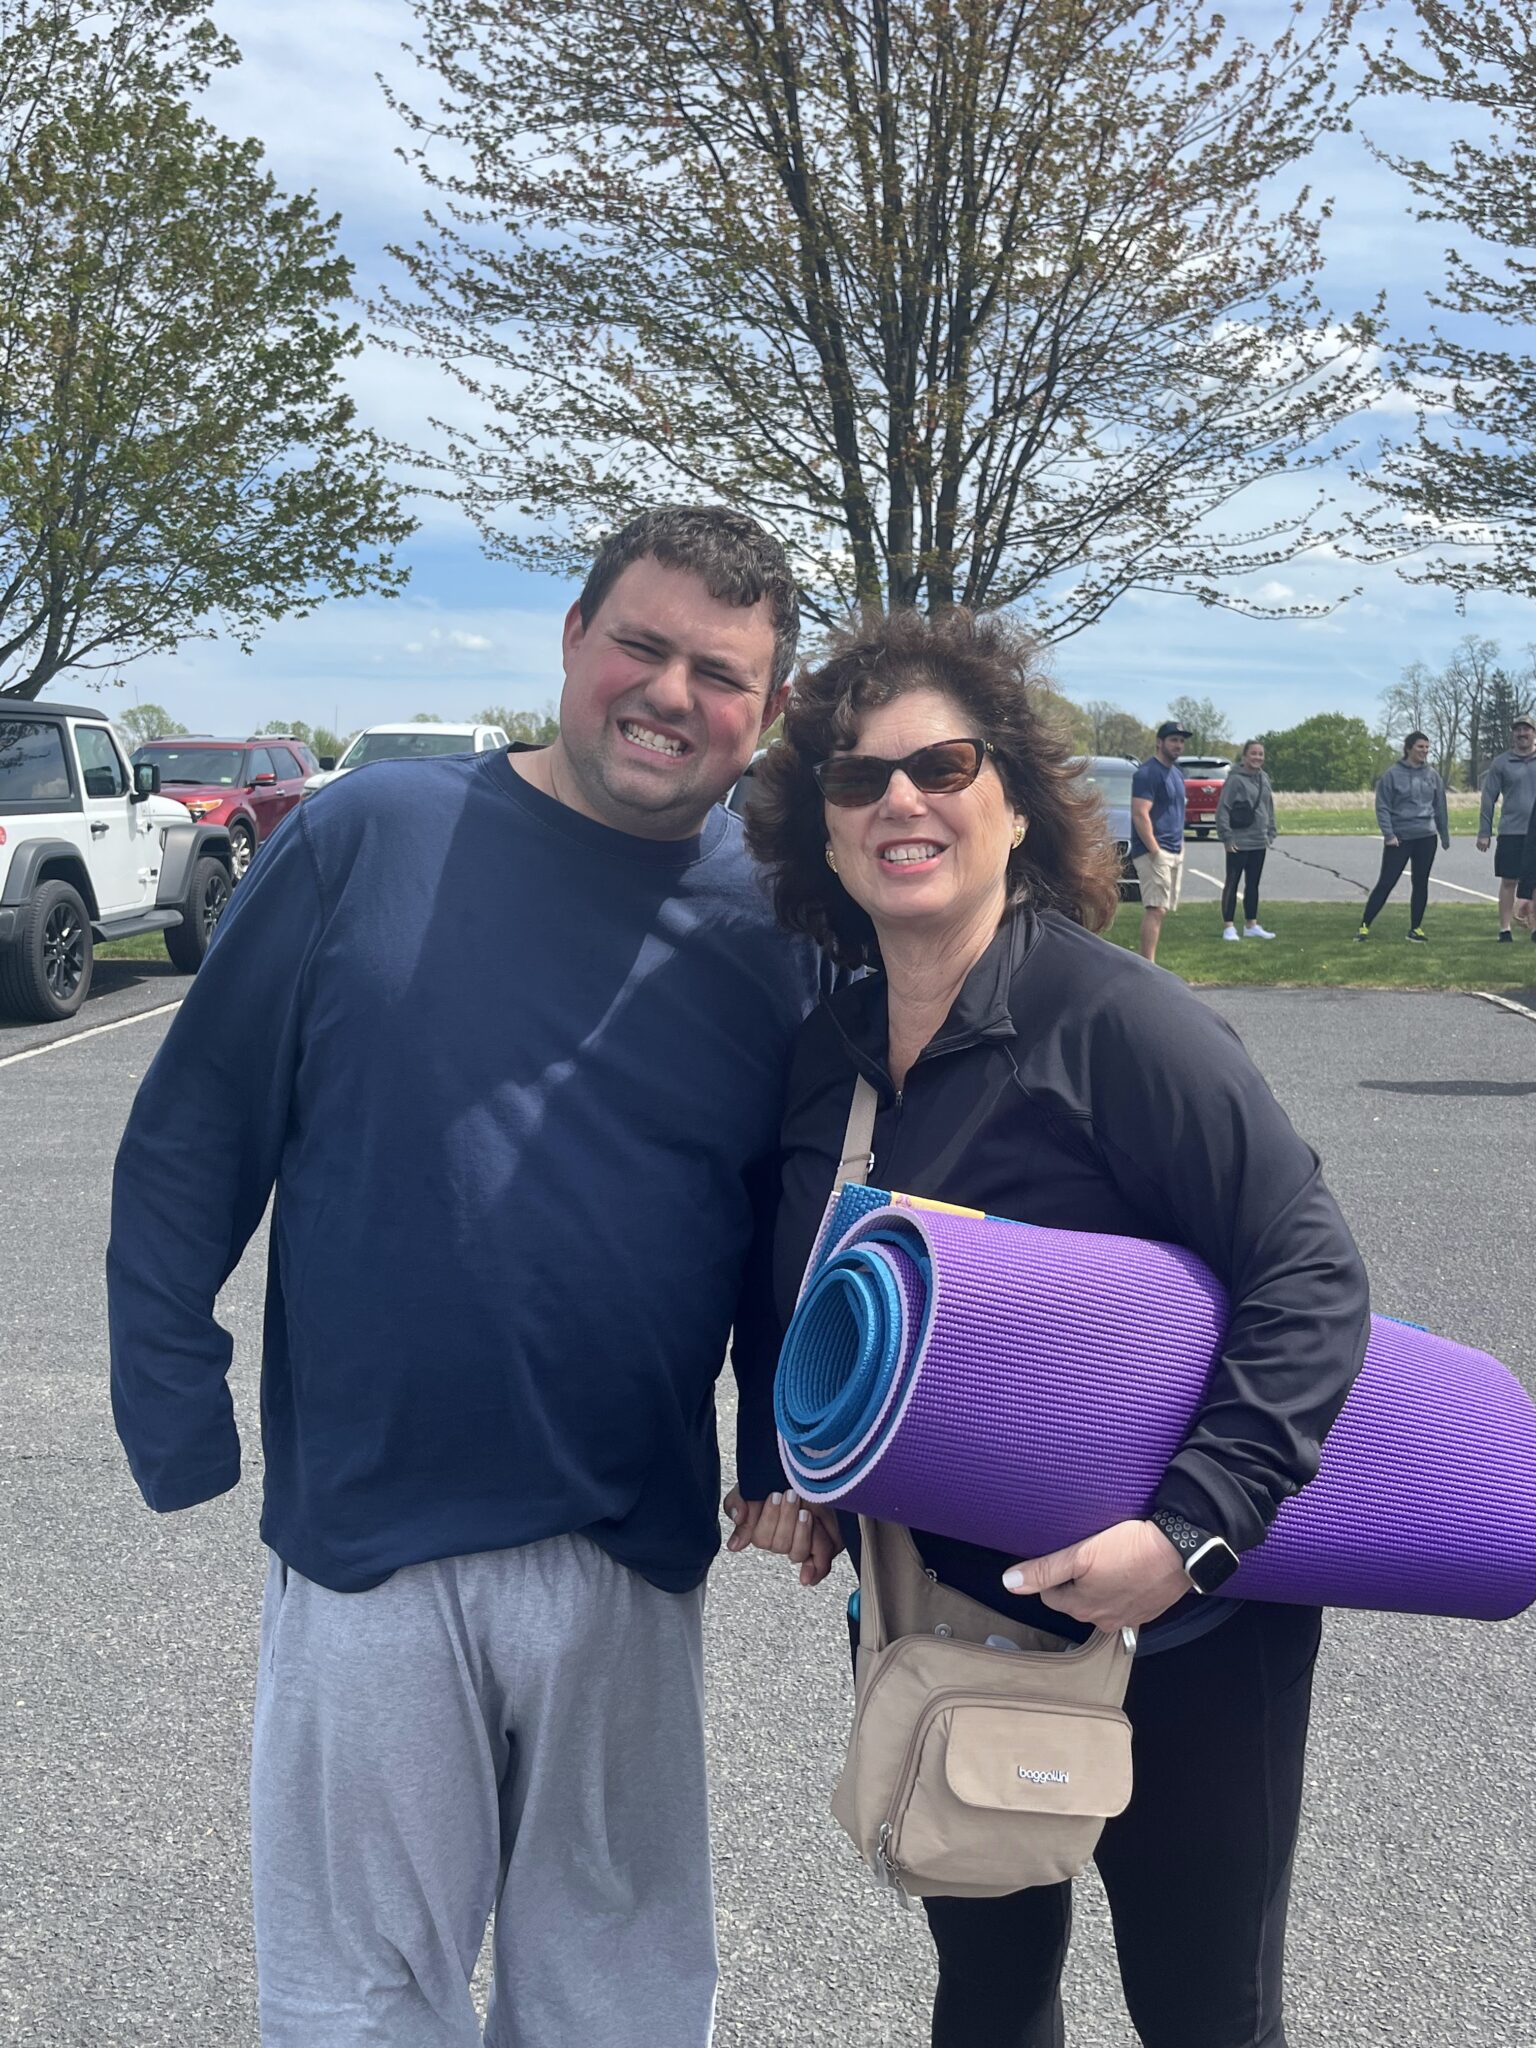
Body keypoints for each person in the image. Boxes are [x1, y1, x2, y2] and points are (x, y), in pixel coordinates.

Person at [107, 505, 840, 2048]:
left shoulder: (779, 921)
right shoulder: (367, 837)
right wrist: (173, 1400)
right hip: (371, 1527)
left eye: (719, 672)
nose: (668, 693)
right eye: (639, 645)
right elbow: (194, 1134)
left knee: (620, 2006)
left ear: (765, 713)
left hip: (624, 1538)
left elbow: (795, 1216)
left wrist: (787, 1446)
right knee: (362, 2006)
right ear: (571, 641)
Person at [742, 608, 1371, 2048]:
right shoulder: (823, 1055)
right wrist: (788, 1464)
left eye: (943, 764)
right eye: (857, 779)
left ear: (1015, 802)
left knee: (1203, 2012)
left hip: (1187, 1632)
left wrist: (1190, 1533)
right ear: (824, 832)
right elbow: (788, 1299)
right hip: (940, 1617)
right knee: (989, 1993)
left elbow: (1310, 1274)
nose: (899, 799)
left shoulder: (1120, 1026)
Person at [1357, 732, 1450, 944]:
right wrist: (1389, 835)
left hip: (1426, 837)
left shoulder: (1432, 775)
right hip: (1399, 838)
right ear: (1408, 748)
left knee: (1420, 883)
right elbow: (1383, 807)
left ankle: (1415, 928)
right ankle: (1364, 925)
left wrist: (1443, 834)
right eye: (1420, 747)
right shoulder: (1392, 775)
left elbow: (1440, 806)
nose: (1424, 751)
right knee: (1387, 882)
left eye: (1427, 747)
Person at [1129, 720, 1188, 965]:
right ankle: (1148, 965)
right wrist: (1154, 849)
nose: (1178, 745)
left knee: (1162, 909)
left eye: (1181, 741)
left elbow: (1177, 811)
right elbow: (1140, 813)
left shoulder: (1176, 774)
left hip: (1175, 849)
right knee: (1155, 908)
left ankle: (1149, 964)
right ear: (1159, 742)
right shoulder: (1147, 773)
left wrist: (1180, 845)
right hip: (1154, 851)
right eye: (1173, 740)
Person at [1477, 713, 1536, 941]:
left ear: (1533, 733)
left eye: (1527, 729)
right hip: (1512, 830)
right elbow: (1488, 797)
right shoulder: (1501, 763)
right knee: (1509, 880)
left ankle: (1534, 928)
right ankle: (1505, 929)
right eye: (1518, 730)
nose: (1522, 733)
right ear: (1513, 734)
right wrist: (1484, 832)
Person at [1215, 738, 1278, 941]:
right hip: (1238, 840)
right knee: (1232, 883)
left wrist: (1271, 831)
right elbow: (1223, 809)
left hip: (1259, 840)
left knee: (1253, 884)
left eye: (1260, 754)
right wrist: (1226, 836)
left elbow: (1269, 806)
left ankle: (1251, 924)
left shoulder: (1264, 779)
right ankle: (1229, 926)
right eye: (1253, 753)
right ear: (1244, 757)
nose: (1257, 757)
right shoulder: (1235, 780)